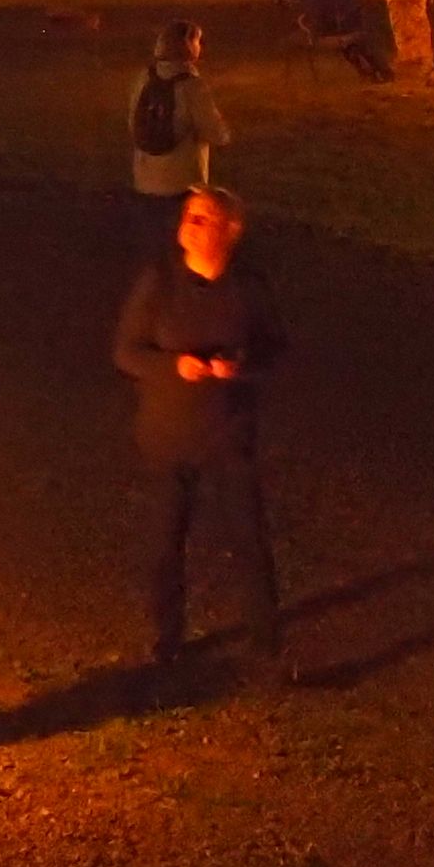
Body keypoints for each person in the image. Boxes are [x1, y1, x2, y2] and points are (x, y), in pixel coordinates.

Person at [113, 186, 288, 679]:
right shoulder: (160, 283)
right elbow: (126, 352)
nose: (190, 225)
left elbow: (277, 350)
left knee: (248, 536)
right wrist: (173, 367)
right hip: (168, 433)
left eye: (204, 218)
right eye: (188, 215)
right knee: (165, 541)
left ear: (231, 230)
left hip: (227, 433)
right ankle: (167, 638)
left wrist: (241, 367)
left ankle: (266, 636)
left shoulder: (247, 288)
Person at [126, 19, 227, 255]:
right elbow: (216, 132)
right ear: (188, 45)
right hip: (182, 181)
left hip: (145, 178)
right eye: (198, 41)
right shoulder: (192, 85)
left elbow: (133, 121)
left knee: (153, 245)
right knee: (181, 246)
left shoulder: (145, 77)